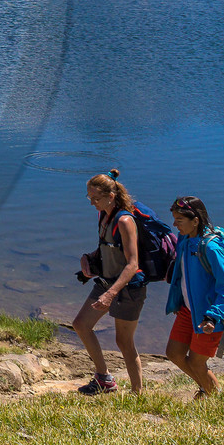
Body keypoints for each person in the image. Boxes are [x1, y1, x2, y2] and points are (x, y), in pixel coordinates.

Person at [72, 169, 147, 394]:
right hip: (106, 281)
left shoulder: (124, 220)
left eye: (96, 198)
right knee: (81, 325)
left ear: (111, 196)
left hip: (128, 287)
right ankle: (104, 379)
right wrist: (88, 258)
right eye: (89, 198)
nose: (92, 203)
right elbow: (107, 246)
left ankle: (138, 393)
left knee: (124, 342)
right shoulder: (104, 215)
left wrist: (110, 294)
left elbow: (132, 264)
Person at [165, 196, 224, 399]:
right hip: (188, 310)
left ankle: (215, 398)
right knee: (174, 353)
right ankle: (207, 389)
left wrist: (213, 316)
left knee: (197, 362)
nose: (174, 224)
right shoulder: (185, 239)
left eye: (179, 219)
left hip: (209, 315)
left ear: (195, 220)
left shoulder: (212, 248)